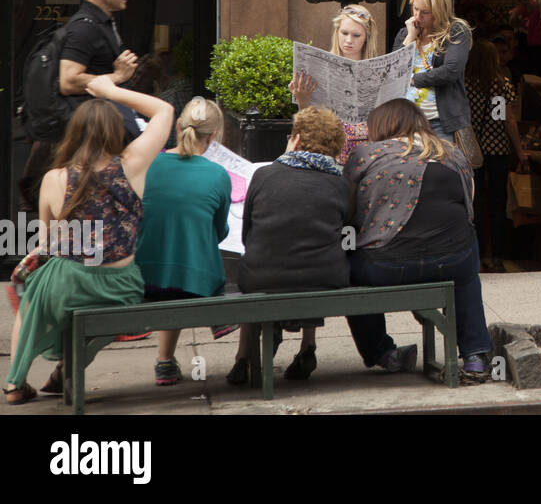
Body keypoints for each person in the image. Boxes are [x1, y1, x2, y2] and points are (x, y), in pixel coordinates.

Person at [4, 76, 172, 405]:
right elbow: (164, 110)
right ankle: (70, 365)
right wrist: (111, 91)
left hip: (65, 282)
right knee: (95, 315)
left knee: (30, 294)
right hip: (119, 285)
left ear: (74, 132)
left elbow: (48, 243)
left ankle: (14, 383)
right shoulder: (132, 165)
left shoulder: (54, 178)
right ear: (114, 131)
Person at [343, 99, 493, 379]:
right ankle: (475, 355)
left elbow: (348, 212)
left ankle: (383, 353)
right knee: (467, 264)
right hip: (452, 261)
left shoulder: (365, 154)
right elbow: (468, 210)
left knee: (350, 269)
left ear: (382, 126)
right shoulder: (452, 152)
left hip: (384, 268)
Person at [227, 107, 351, 384]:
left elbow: (249, 235)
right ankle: (308, 346)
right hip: (325, 276)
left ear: (295, 139)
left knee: (261, 266)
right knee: (315, 258)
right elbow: (345, 232)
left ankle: (243, 358)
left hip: (263, 275)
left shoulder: (265, 175)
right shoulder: (339, 182)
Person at [18, 0, 140, 213]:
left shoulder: (101, 23)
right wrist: (118, 77)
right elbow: (69, 79)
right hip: (88, 134)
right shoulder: (85, 28)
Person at [134, 97, 233, 386]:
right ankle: (221, 324)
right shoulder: (217, 174)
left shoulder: (148, 165)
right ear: (213, 136)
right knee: (187, 259)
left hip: (142, 275)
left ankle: (165, 361)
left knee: (172, 256)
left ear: (178, 125)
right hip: (195, 281)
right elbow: (220, 232)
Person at [464, 38, 528, 270]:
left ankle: (479, 253)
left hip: (473, 149)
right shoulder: (502, 84)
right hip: (498, 149)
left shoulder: (464, 84)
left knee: (475, 201)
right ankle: (498, 254)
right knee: (499, 202)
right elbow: (507, 120)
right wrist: (520, 151)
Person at [291, 3, 382, 163]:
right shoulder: (320, 67)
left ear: (366, 37)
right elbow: (311, 128)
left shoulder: (378, 72)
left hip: (368, 151)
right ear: (337, 32)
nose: (348, 40)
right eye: (344, 33)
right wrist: (302, 99)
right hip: (332, 149)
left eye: (356, 35)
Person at [397, 0, 472, 142]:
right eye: (415, 9)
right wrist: (410, 37)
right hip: (406, 121)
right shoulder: (406, 33)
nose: (417, 16)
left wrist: (414, 80)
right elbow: (393, 71)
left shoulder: (456, 31)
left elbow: (450, 71)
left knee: (442, 166)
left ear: (439, 10)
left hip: (440, 122)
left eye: (425, 12)